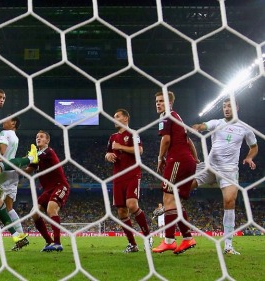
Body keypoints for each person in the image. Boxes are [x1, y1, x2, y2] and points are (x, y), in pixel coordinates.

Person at [191, 98, 258, 255]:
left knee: (229, 201)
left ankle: (228, 245)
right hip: (210, 166)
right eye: (224, 106)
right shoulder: (217, 123)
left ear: (237, 108)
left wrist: (249, 157)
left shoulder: (245, 128)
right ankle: (172, 235)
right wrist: (197, 127)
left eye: (229, 106)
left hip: (229, 171)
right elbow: (203, 125)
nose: (226, 109)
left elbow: (254, 147)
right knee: (182, 188)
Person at [151, 91, 199, 254]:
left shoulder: (166, 116)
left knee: (168, 197)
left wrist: (160, 158)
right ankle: (187, 238)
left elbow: (166, 140)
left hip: (177, 160)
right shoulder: (177, 117)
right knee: (174, 200)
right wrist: (195, 158)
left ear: (170, 102)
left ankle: (169, 240)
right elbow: (189, 140)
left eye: (161, 101)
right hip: (186, 160)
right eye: (157, 101)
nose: (158, 104)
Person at [105, 109, 152, 253]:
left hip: (132, 174)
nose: (114, 119)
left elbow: (140, 150)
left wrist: (120, 147)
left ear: (126, 118)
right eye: (114, 117)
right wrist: (108, 156)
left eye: (117, 116)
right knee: (121, 212)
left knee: (131, 205)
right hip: (117, 176)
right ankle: (132, 244)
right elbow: (108, 152)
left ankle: (148, 236)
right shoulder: (112, 137)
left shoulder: (133, 133)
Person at [0, 116, 29, 252]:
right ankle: (21, 237)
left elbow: (1, 153)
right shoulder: (15, 137)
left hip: (1, 173)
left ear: (13, 123)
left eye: (7, 120)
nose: (3, 121)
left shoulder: (4, 133)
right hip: (12, 174)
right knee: (8, 208)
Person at [25, 130, 70, 252]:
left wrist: (21, 159)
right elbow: (28, 170)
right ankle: (48, 242)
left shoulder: (48, 152)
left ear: (47, 140)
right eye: (37, 137)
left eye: (41, 137)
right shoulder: (37, 156)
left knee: (51, 209)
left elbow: (32, 159)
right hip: (47, 190)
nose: (38, 138)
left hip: (60, 186)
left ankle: (57, 243)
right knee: (34, 213)